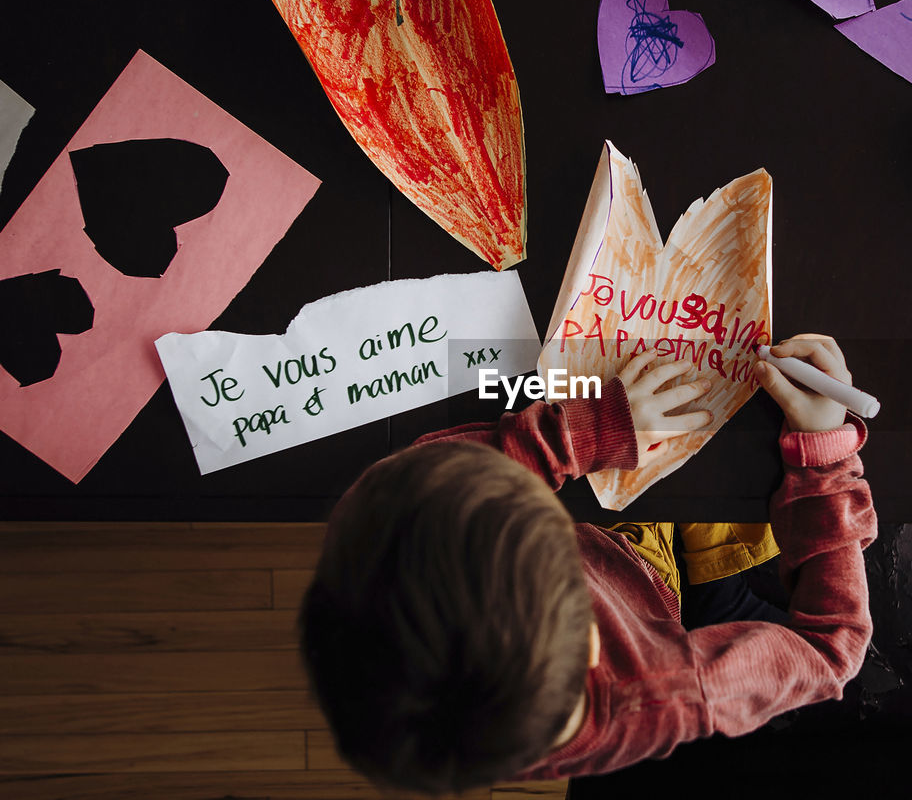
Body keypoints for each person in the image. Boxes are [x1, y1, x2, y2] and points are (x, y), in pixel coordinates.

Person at [297, 334, 876, 793]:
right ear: (594, 643)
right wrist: (825, 456)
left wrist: (583, 431)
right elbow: (834, 650)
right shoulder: (661, 693)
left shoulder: (377, 535)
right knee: (736, 466)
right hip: (643, 569)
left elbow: (412, 478)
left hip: (601, 505)